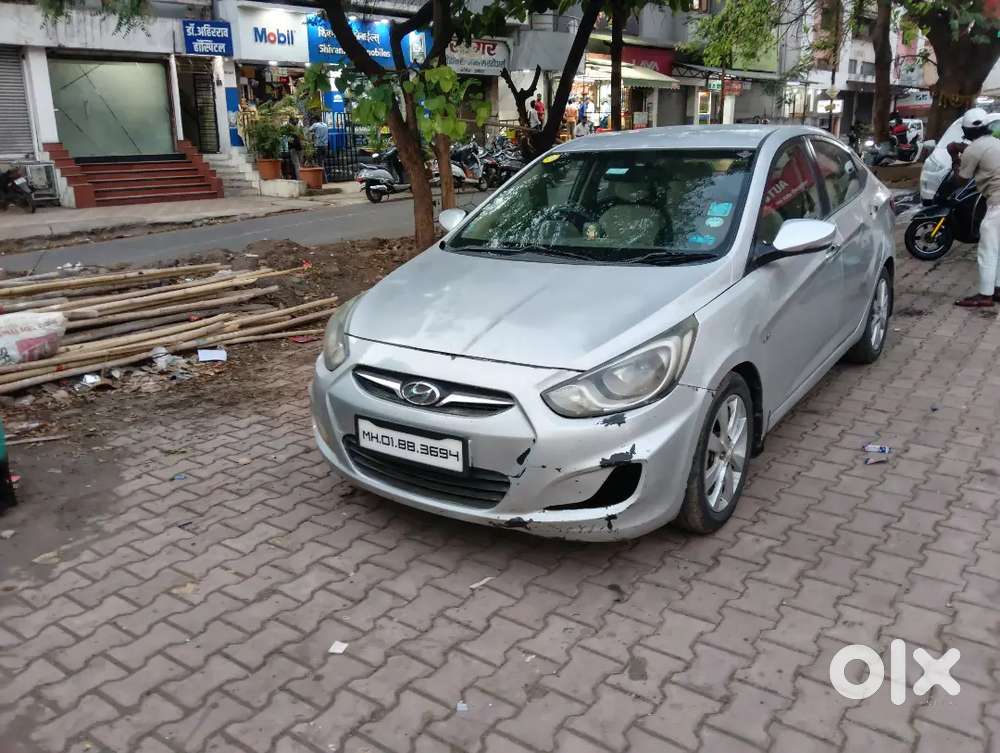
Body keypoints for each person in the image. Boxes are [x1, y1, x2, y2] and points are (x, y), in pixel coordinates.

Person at [954, 108, 1000, 307]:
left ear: (967, 132)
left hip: (998, 203)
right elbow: (982, 154)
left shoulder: (973, 149)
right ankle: (997, 289)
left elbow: (961, 180)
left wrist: (954, 157)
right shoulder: (995, 143)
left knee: (988, 250)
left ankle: (985, 295)